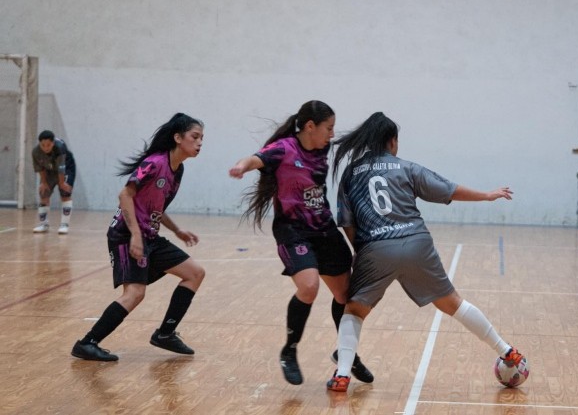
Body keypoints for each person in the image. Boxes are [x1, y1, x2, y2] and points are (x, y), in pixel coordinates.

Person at [326, 112, 525, 392]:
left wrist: (364, 252)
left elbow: (347, 223)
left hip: (375, 247)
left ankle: (342, 375)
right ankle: (507, 351)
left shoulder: (350, 174)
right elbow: (449, 190)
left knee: (354, 311)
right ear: (392, 141)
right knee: (452, 303)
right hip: (416, 241)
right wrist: (487, 194)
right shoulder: (406, 167)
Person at [228, 100, 372, 386]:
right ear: (310, 126)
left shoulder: (323, 147)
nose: (332, 134)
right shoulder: (283, 149)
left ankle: (345, 354)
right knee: (309, 287)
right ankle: (289, 350)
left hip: (324, 230)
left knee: (347, 298)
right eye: (328, 128)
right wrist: (241, 166)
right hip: (293, 231)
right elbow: (256, 158)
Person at [70, 113, 206, 361]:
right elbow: (125, 195)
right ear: (177, 138)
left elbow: (155, 207)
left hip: (149, 236)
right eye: (194, 137)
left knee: (194, 273)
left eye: (201, 139)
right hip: (125, 235)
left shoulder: (178, 170)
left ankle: (165, 333)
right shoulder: (154, 163)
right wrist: (134, 235)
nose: (199, 143)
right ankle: (87, 343)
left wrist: (177, 230)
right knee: (135, 294)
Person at [31, 130, 77, 234]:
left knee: (65, 193)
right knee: (44, 193)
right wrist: (43, 182)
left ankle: (64, 225)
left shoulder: (59, 148)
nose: (46, 148)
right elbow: (40, 168)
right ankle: (44, 224)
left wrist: (62, 183)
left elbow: (61, 168)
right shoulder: (36, 152)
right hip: (49, 169)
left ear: (53, 143)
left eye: (48, 145)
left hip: (66, 167)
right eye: (43, 145)